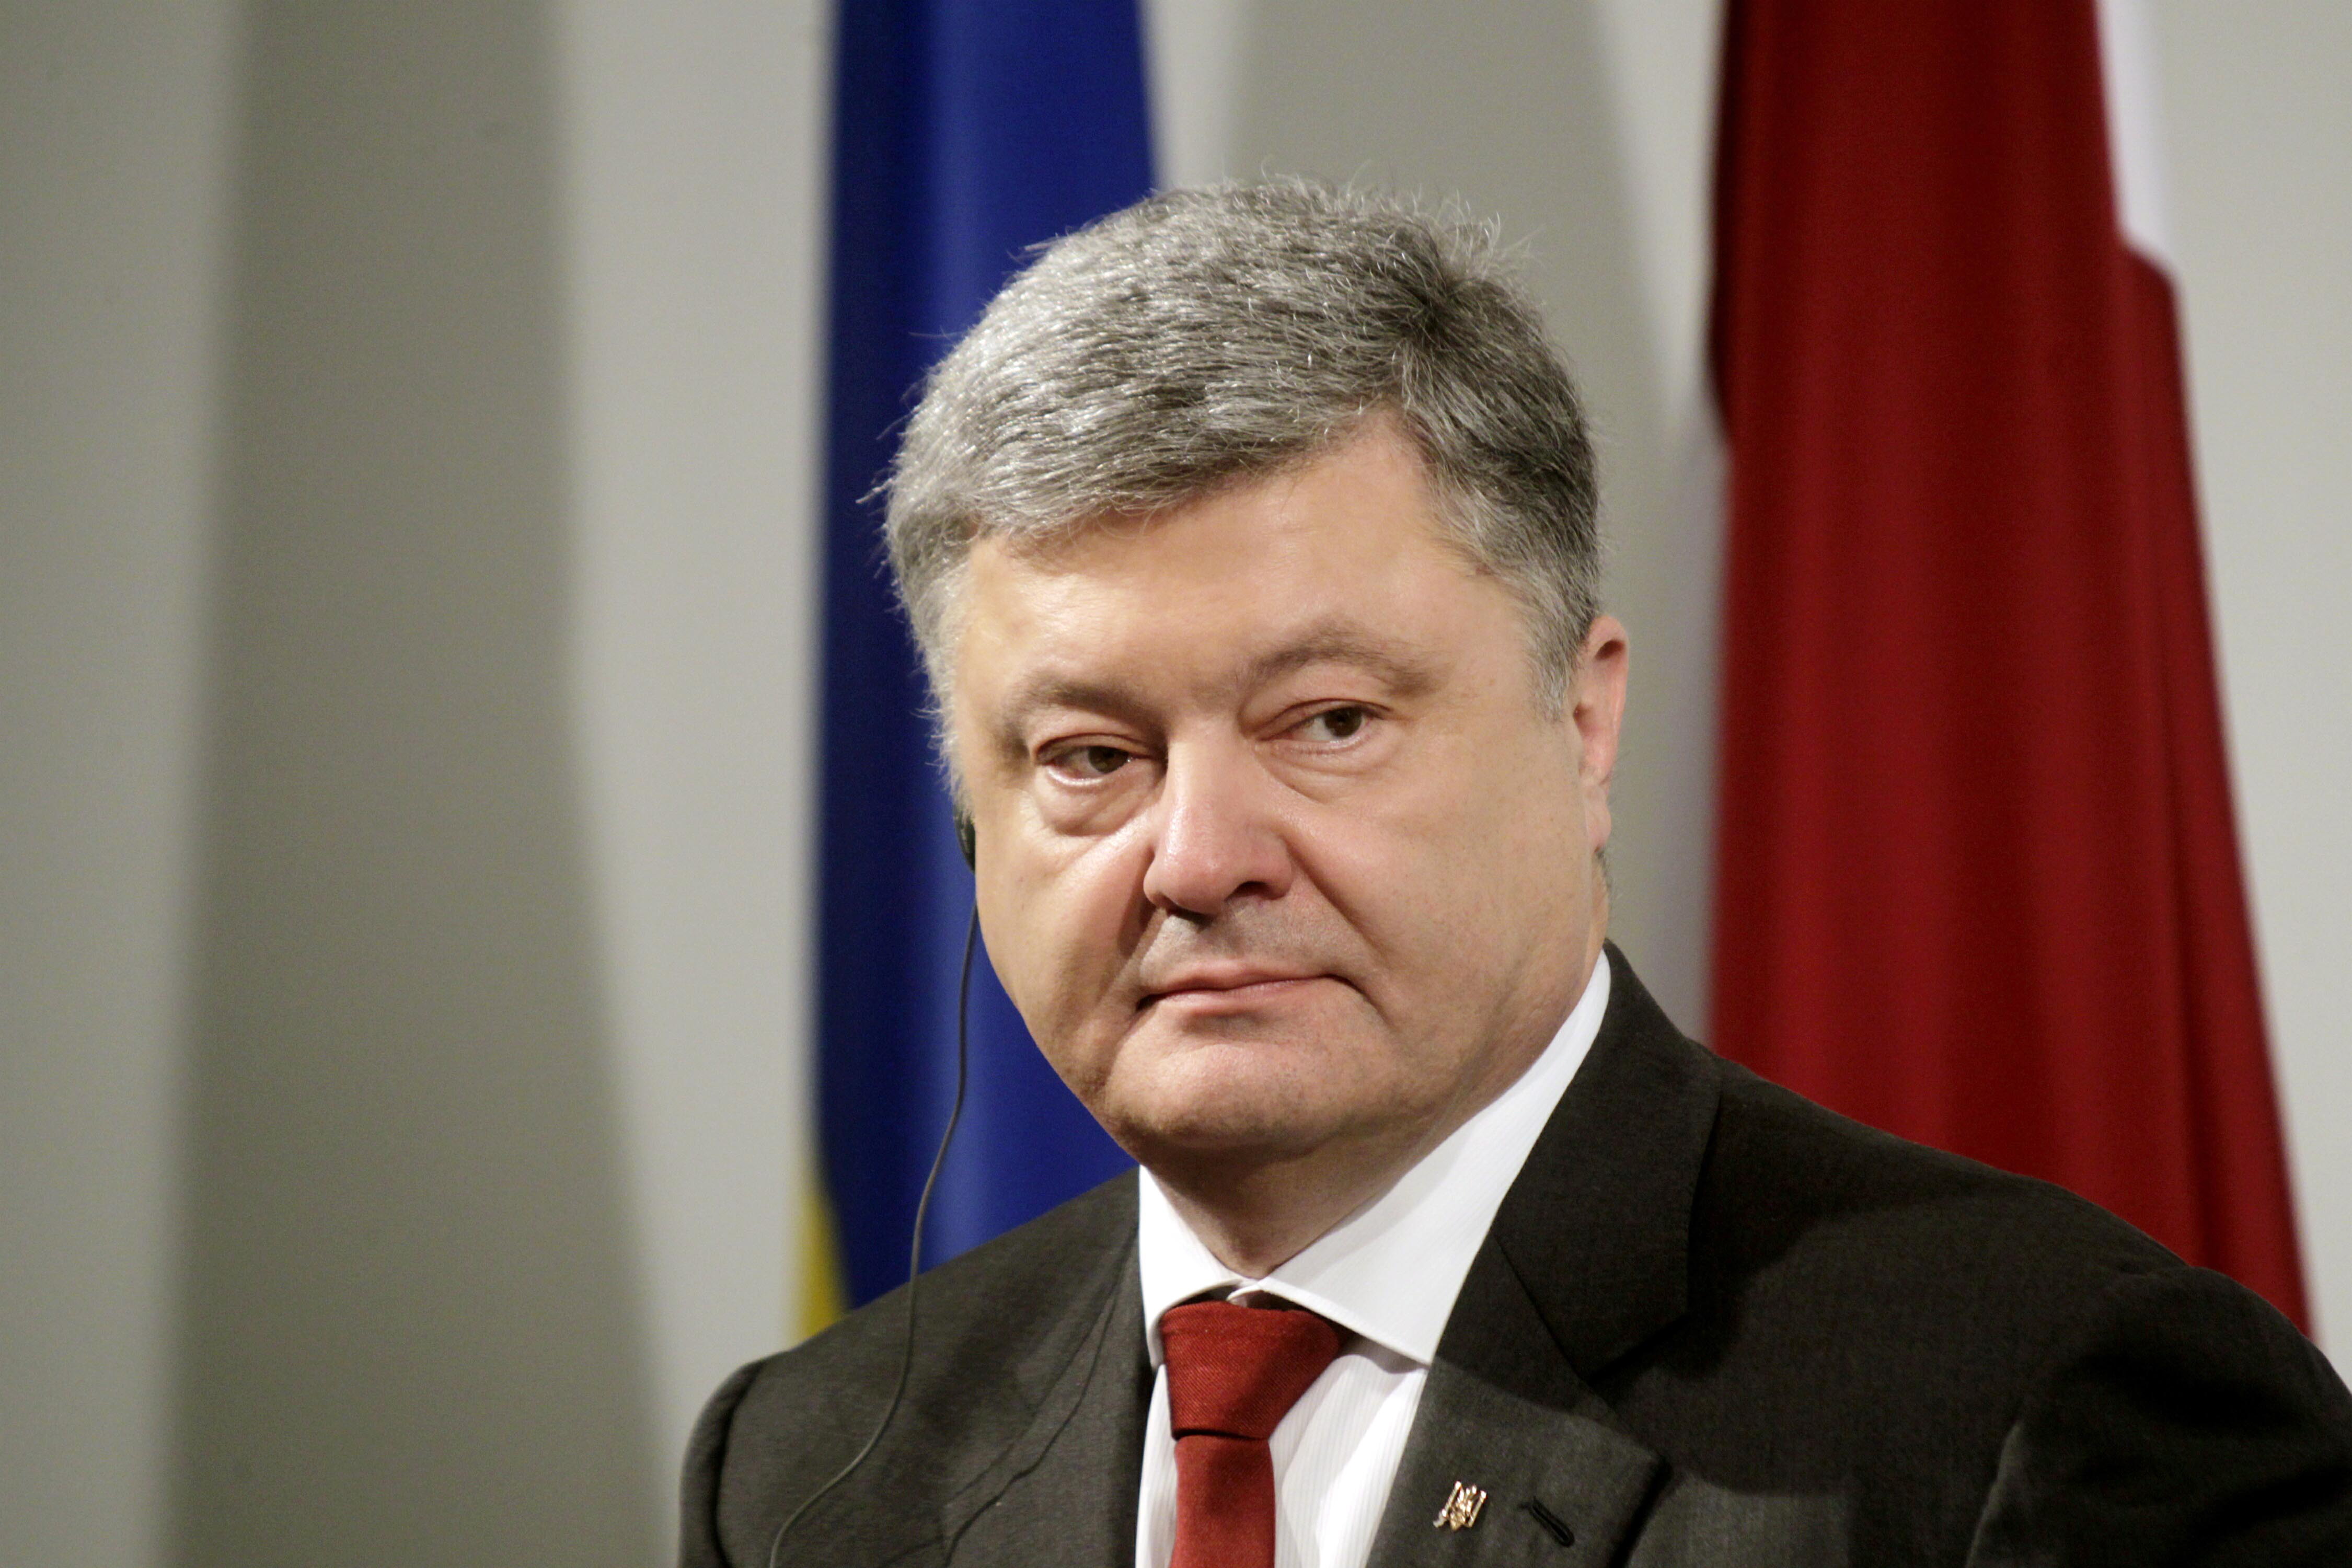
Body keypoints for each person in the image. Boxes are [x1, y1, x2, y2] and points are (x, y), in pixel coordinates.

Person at [681, 183, 2352, 1567]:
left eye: (1328, 722)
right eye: (1089, 758)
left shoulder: (2036, 1401)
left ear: (1582, 716)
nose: (1196, 860)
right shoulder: (808, 1471)